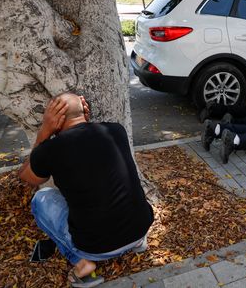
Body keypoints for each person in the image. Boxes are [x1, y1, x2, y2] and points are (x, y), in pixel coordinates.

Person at [18, 93, 154, 288]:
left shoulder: (51, 150)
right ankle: (138, 243)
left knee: (41, 199)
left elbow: (26, 176)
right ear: (84, 112)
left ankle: (82, 263)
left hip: (94, 248)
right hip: (140, 228)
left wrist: (44, 132)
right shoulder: (116, 130)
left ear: (55, 119)